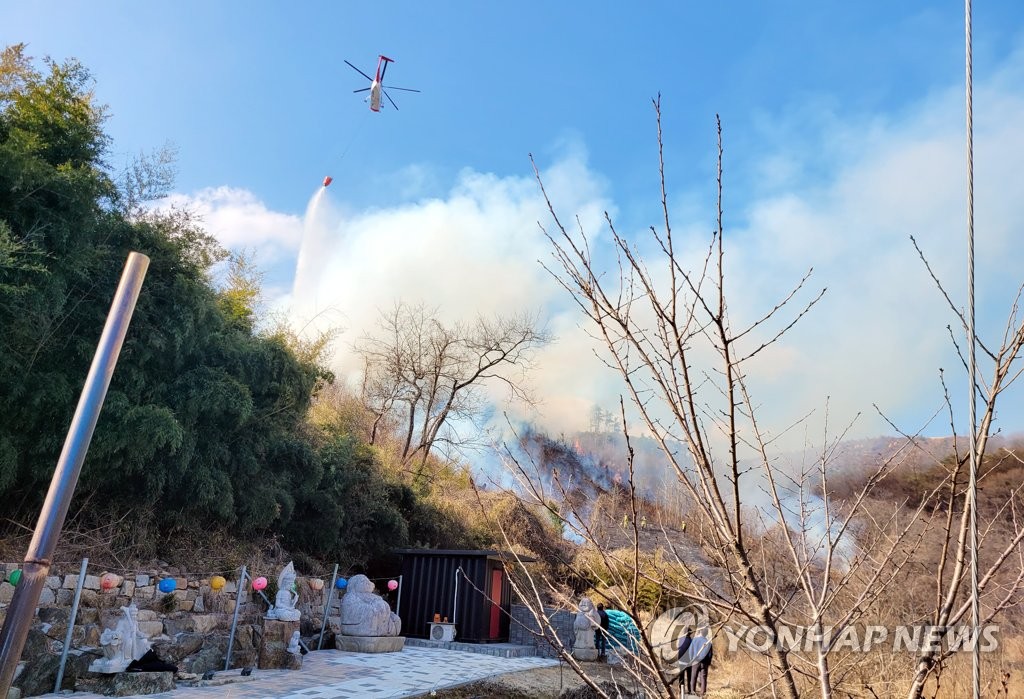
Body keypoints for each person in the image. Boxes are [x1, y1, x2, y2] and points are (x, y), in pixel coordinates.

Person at [689, 629, 713, 696]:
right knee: (703, 678)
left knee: (693, 677)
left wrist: (691, 660)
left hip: (695, 661)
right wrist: (708, 662)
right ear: (706, 634)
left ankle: (692, 692)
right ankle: (703, 693)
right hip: (704, 662)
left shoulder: (694, 640)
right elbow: (710, 654)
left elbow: (690, 651)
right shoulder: (708, 642)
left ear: (700, 632)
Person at [676, 627, 693, 692]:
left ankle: (681, 689)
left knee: (681, 676)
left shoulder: (680, 639)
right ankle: (689, 689)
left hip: (681, 660)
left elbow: (678, 648)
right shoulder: (691, 640)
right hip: (688, 661)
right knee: (689, 676)